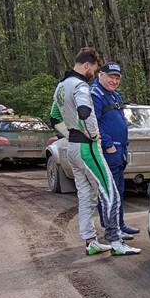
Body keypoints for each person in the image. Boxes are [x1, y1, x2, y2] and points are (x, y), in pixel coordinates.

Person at [50, 47, 140, 257]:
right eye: (94, 69)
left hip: (73, 146)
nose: (93, 73)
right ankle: (116, 241)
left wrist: (71, 133)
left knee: (86, 196)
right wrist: (92, 135)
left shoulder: (61, 87)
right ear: (87, 66)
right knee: (110, 193)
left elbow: (54, 117)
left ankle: (90, 240)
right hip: (87, 147)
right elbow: (85, 111)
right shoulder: (80, 86)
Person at [91, 61, 139, 239]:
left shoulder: (115, 95)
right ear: (100, 75)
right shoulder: (95, 94)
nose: (114, 80)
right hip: (109, 150)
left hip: (120, 150)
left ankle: (120, 224)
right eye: (111, 76)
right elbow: (93, 124)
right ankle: (111, 229)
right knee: (109, 190)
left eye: (117, 77)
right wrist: (108, 144)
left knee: (119, 189)